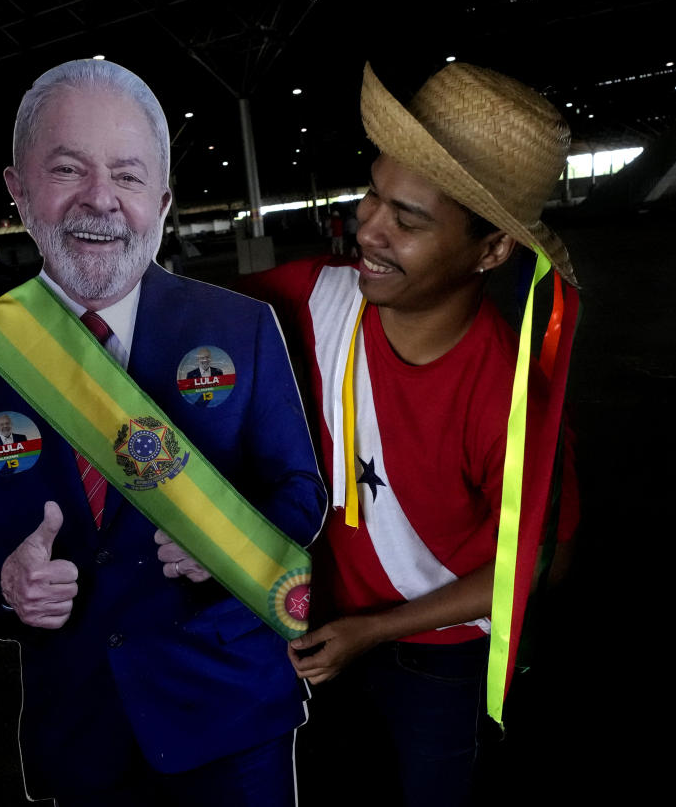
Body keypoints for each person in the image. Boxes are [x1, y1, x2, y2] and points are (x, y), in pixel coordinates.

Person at [0, 59, 325, 807]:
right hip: (82, 728)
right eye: (68, 168)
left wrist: (228, 541)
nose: (100, 199)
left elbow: (300, 491)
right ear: (19, 190)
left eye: (128, 177)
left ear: (161, 201)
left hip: (231, 712)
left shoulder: (242, 327)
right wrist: (2, 584)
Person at [241, 62, 581, 806]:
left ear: (490, 251)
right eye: (373, 195)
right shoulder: (313, 294)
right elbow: (172, 317)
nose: (368, 227)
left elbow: (539, 565)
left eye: (410, 220)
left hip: (439, 657)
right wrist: (28, 315)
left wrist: (378, 629)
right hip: (312, 625)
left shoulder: (509, 398)